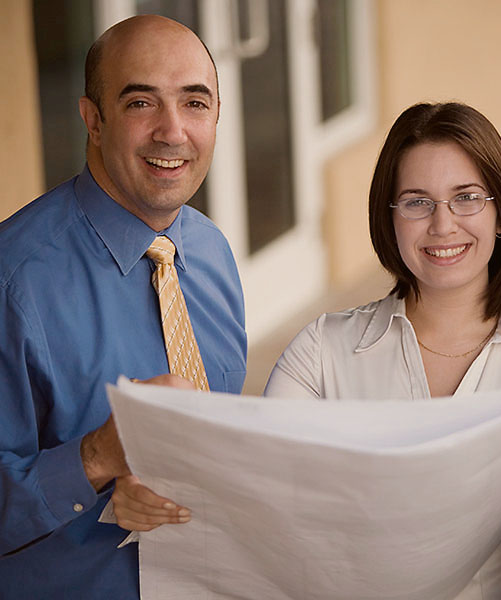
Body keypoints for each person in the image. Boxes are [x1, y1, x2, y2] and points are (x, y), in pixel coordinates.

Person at [265, 101, 501, 599]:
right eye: (417, 202)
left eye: (466, 198)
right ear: (390, 218)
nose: (442, 225)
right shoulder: (321, 355)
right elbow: (266, 506)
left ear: (500, 214)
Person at [0, 15, 247, 599]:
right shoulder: (14, 282)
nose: (172, 131)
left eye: (194, 103)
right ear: (93, 118)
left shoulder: (211, 252)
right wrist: (96, 458)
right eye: (141, 103)